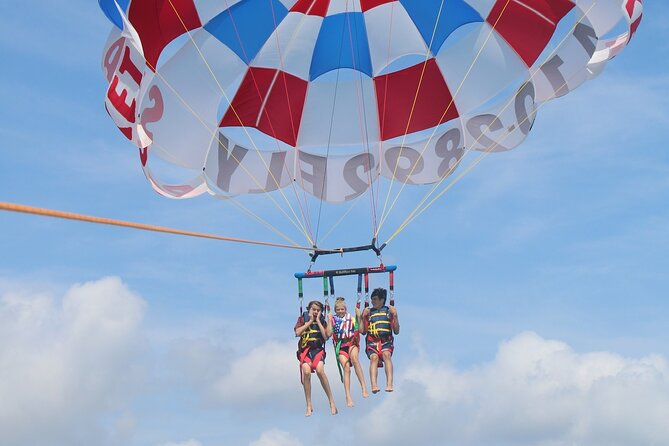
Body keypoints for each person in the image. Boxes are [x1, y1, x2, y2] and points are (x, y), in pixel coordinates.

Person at [294, 300, 338, 416]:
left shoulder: (322, 321)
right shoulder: (302, 319)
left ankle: (331, 402)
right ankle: (308, 405)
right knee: (306, 372)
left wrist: (318, 320)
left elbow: (326, 336)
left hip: (318, 350)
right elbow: (297, 333)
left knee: (320, 370)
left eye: (318, 310)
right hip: (305, 351)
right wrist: (309, 322)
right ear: (309, 310)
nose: (315, 312)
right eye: (313, 309)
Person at [330, 297, 369, 407]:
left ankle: (364, 387)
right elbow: (328, 334)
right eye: (338, 309)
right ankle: (348, 396)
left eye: (342, 309)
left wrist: (360, 317)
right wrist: (328, 320)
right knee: (346, 368)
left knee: (355, 360)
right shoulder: (333, 320)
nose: (340, 311)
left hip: (351, 343)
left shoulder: (351, 319)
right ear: (335, 310)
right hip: (341, 346)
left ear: (345, 309)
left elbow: (361, 331)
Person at [361, 287, 400, 393]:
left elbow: (396, 331)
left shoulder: (389, 311)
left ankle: (389, 384)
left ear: (382, 300)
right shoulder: (369, 312)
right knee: (373, 358)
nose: (372, 302)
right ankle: (374, 385)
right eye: (372, 299)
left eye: (375, 299)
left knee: (386, 355)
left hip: (386, 341)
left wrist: (395, 316)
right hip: (372, 341)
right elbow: (363, 331)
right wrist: (362, 317)